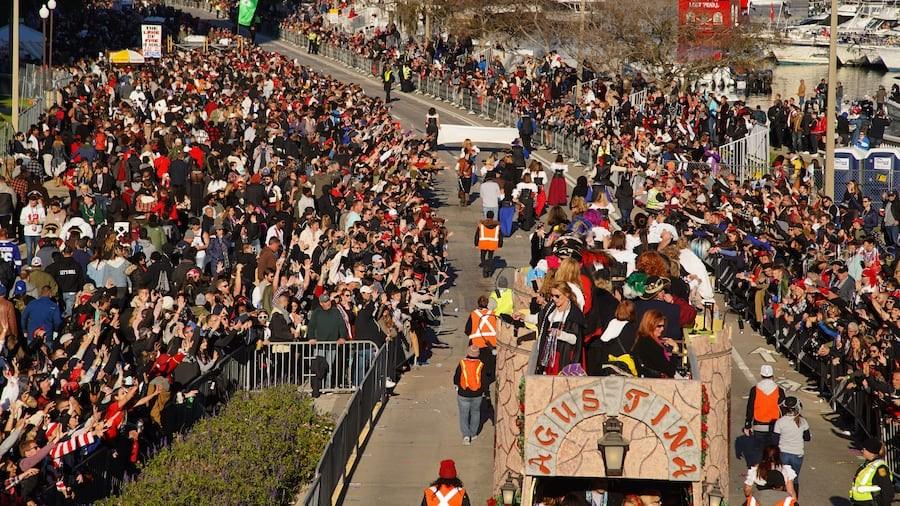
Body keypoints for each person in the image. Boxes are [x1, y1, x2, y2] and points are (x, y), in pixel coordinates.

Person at [743, 364, 786, 467]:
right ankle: (771, 473)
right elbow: (783, 409)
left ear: (761, 375)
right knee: (772, 453)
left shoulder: (755, 389)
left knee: (759, 453)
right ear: (772, 375)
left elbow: (750, 408)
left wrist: (747, 425)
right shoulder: (779, 390)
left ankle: (759, 474)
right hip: (774, 427)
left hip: (759, 426)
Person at [453, 345, 490, 445]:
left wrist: (457, 386)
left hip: (463, 393)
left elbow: (456, 377)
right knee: (475, 413)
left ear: (468, 353)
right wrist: (484, 392)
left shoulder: (462, 363)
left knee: (464, 415)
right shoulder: (481, 365)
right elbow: (484, 380)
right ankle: (473, 434)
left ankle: (466, 436)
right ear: (478, 354)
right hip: (477, 394)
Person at [773, 396, 809, 492]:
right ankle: (794, 500)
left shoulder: (780, 422)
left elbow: (775, 440)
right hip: (797, 454)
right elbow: (807, 437)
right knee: (795, 479)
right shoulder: (803, 421)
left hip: (783, 453)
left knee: (783, 478)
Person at [631, 310, 679, 378]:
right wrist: (675, 349)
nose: (662, 329)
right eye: (659, 326)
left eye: (663, 326)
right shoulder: (650, 344)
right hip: (655, 383)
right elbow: (670, 370)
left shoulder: (642, 339)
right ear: (650, 325)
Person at [849, 437, 894, 506]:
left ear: (872, 452)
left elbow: (887, 490)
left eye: (865, 449)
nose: (862, 450)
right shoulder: (867, 464)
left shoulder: (881, 469)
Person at [474, 211, 503, 277]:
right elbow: (500, 236)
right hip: (493, 243)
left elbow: (477, 235)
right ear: (493, 216)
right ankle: (489, 270)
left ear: (486, 216)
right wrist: (500, 244)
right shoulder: (497, 226)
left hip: (483, 243)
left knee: (483, 256)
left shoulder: (481, 225)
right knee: (490, 257)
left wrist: (476, 243)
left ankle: (485, 267)